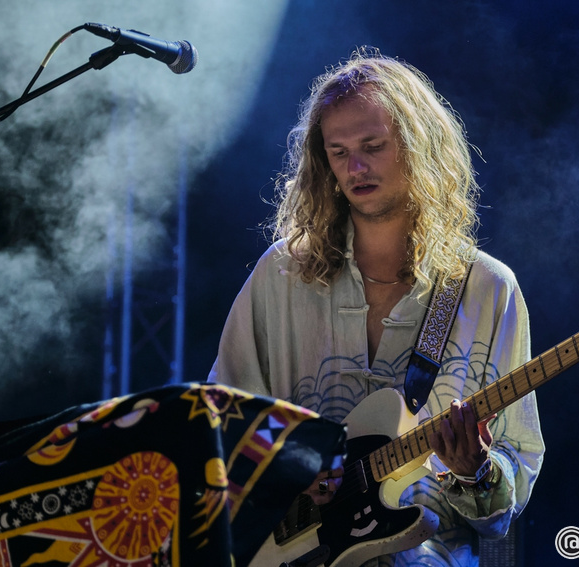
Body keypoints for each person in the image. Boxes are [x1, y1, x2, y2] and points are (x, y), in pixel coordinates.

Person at [208, 48, 544, 566]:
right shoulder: (280, 276)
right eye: (338, 152)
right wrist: (290, 468)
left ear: (417, 148)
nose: (355, 167)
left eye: (373, 146)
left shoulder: (487, 288)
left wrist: (473, 471)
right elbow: (221, 428)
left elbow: (507, 493)